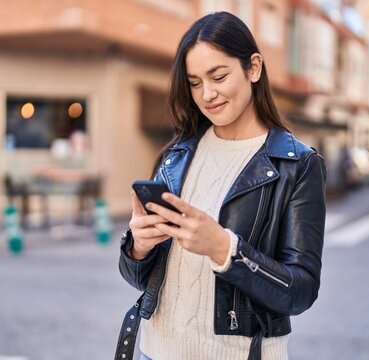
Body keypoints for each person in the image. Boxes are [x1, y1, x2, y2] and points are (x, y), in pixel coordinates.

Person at [117, 11, 326, 360]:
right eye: (195, 82)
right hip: (155, 351)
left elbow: (301, 291)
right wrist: (138, 247)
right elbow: (140, 278)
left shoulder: (297, 165)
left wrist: (225, 250)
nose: (207, 94)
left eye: (219, 76)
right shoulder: (176, 156)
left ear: (254, 68)